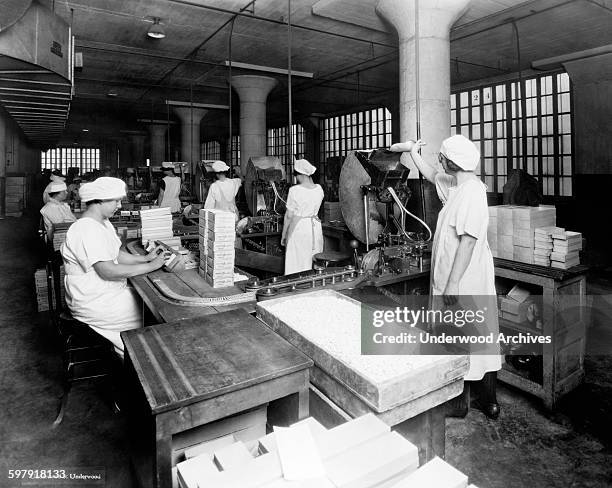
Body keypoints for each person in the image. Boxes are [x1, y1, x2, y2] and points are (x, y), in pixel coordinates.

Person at [406, 135, 501, 419]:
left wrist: (453, 282)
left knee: (471, 333)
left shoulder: (472, 192)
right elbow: (432, 174)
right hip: (454, 273)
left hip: (465, 275)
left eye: (443, 157)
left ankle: (471, 401)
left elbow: (469, 240)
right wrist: (413, 153)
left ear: (453, 162)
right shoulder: (457, 185)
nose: (440, 161)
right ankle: (479, 400)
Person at [60, 177, 166, 356]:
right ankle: (140, 361)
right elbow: (107, 270)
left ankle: (141, 354)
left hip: (105, 291)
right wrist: (151, 266)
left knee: (147, 300)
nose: (120, 205)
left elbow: (114, 254)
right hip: (95, 300)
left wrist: (145, 258)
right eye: (115, 201)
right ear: (99, 200)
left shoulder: (102, 222)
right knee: (155, 311)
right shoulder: (86, 229)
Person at [281, 159, 324, 275]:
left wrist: (284, 235)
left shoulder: (295, 190)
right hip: (315, 227)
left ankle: (297, 285)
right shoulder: (319, 189)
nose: (296, 178)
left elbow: (289, 216)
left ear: (301, 174)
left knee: (297, 260)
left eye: (296, 175)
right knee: (313, 258)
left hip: (300, 228)